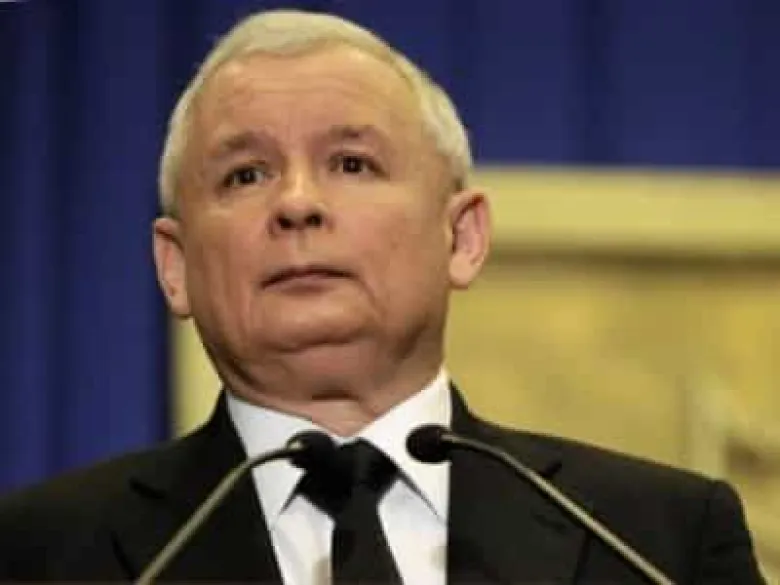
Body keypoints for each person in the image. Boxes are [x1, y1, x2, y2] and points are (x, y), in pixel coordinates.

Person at [0, 9, 766, 584]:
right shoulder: (40, 553)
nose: (297, 203)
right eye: (245, 174)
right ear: (175, 266)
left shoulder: (658, 541)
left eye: (352, 164)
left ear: (461, 237)